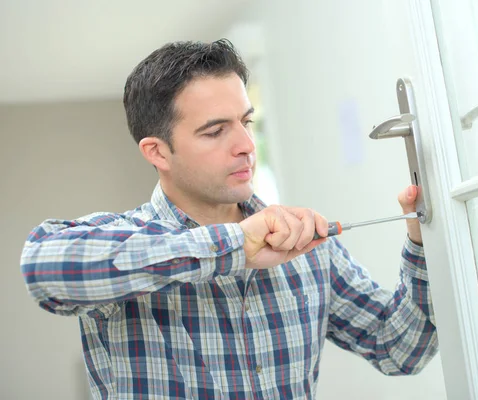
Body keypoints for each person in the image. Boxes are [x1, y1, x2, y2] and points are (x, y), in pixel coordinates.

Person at [20, 39, 437, 399]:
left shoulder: (305, 247)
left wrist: (422, 244)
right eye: (215, 131)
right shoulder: (124, 241)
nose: (245, 145)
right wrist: (236, 247)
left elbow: (400, 348)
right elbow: (42, 269)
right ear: (157, 152)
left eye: (246, 121)